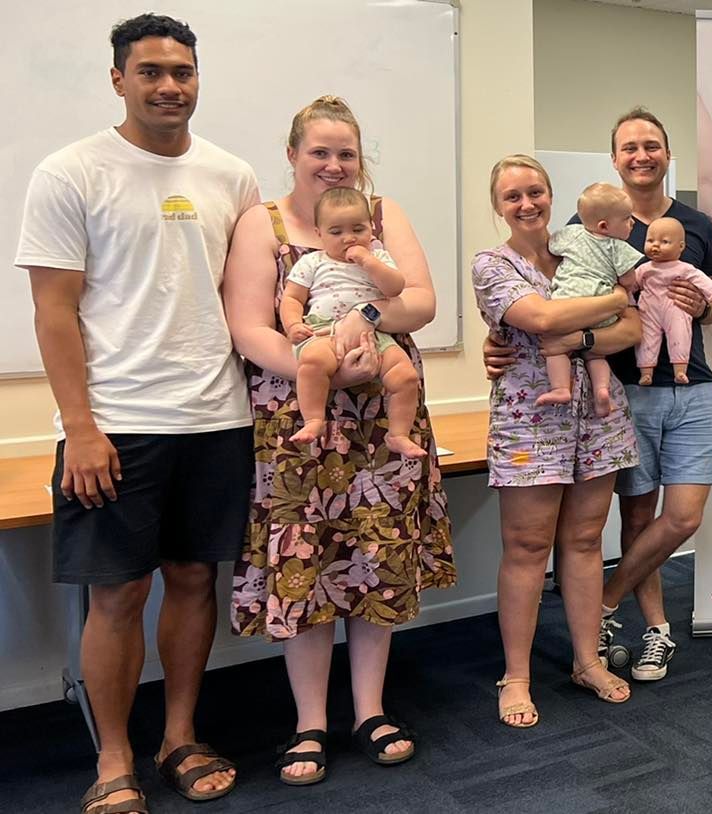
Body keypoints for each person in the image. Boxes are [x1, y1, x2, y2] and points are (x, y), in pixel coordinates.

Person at [15, 14, 252, 811]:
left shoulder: (232, 176)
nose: (168, 86)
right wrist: (79, 426)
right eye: (149, 71)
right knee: (116, 594)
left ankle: (179, 736)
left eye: (182, 71)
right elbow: (53, 311)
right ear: (117, 79)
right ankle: (113, 758)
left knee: (193, 581)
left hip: (217, 418)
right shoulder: (71, 172)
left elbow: (252, 301)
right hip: (115, 423)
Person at [224, 95, 455, 783]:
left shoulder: (382, 218)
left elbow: (419, 301)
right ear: (292, 154)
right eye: (319, 152)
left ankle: (370, 711)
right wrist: (323, 364)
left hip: (386, 418)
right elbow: (249, 326)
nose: (332, 164)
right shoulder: (259, 223)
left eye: (345, 153)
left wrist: (364, 323)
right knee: (309, 560)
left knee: (376, 555)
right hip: (303, 418)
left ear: (361, 159)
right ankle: (309, 723)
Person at [486, 107, 712, 683]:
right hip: (622, 390)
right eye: (629, 148)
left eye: (652, 145)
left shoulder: (698, 225)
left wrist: (707, 309)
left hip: (689, 386)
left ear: (668, 154)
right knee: (635, 517)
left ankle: (604, 604)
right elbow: (544, 304)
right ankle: (655, 633)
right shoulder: (586, 225)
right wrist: (501, 339)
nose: (641, 156)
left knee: (682, 518)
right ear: (614, 158)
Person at [474, 154, 642, 728]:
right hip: (531, 421)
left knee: (588, 539)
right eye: (513, 195)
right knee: (526, 548)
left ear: (551, 195)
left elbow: (636, 329)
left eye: (536, 191)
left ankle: (587, 661)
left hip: (598, 416)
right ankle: (515, 677)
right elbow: (540, 320)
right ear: (499, 205)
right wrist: (614, 301)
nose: (527, 204)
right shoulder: (491, 265)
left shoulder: (581, 247)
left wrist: (592, 323)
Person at [281, 186, 424, 458]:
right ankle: (313, 419)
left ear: (371, 228)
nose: (349, 238)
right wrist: (292, 325)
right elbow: (292, 299)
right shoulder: (312, 262)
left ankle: (399, 434)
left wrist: (368, 262)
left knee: (405, 375)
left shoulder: (379, 257)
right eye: (336, 232)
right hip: (324, 330)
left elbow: (395, 288)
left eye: (357, 229)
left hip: (373, 334)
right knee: (312, 364)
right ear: (319, 234)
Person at [538, 182, 644, 415]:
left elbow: (552, 248)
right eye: (627, 218)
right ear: (605, 226)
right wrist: (624, 285)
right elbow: (628, 280)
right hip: (601, 307)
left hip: (567, 303)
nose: (633, 223)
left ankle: (559, 387)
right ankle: (602, 390)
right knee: (596, 353)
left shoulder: (572, 234)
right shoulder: (620, 247)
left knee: (556, 349)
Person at [633, 217, 712, 385]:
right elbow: (630, 285)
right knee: (647, 339)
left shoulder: (684, 268)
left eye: (664, 241)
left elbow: (703, 281)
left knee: (680, 335)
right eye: (650, 240)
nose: (655, 245)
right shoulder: (644, 268)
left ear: (681, 247)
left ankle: (680, 370)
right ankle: (646, 372)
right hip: (648, 309)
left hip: (676, 307)